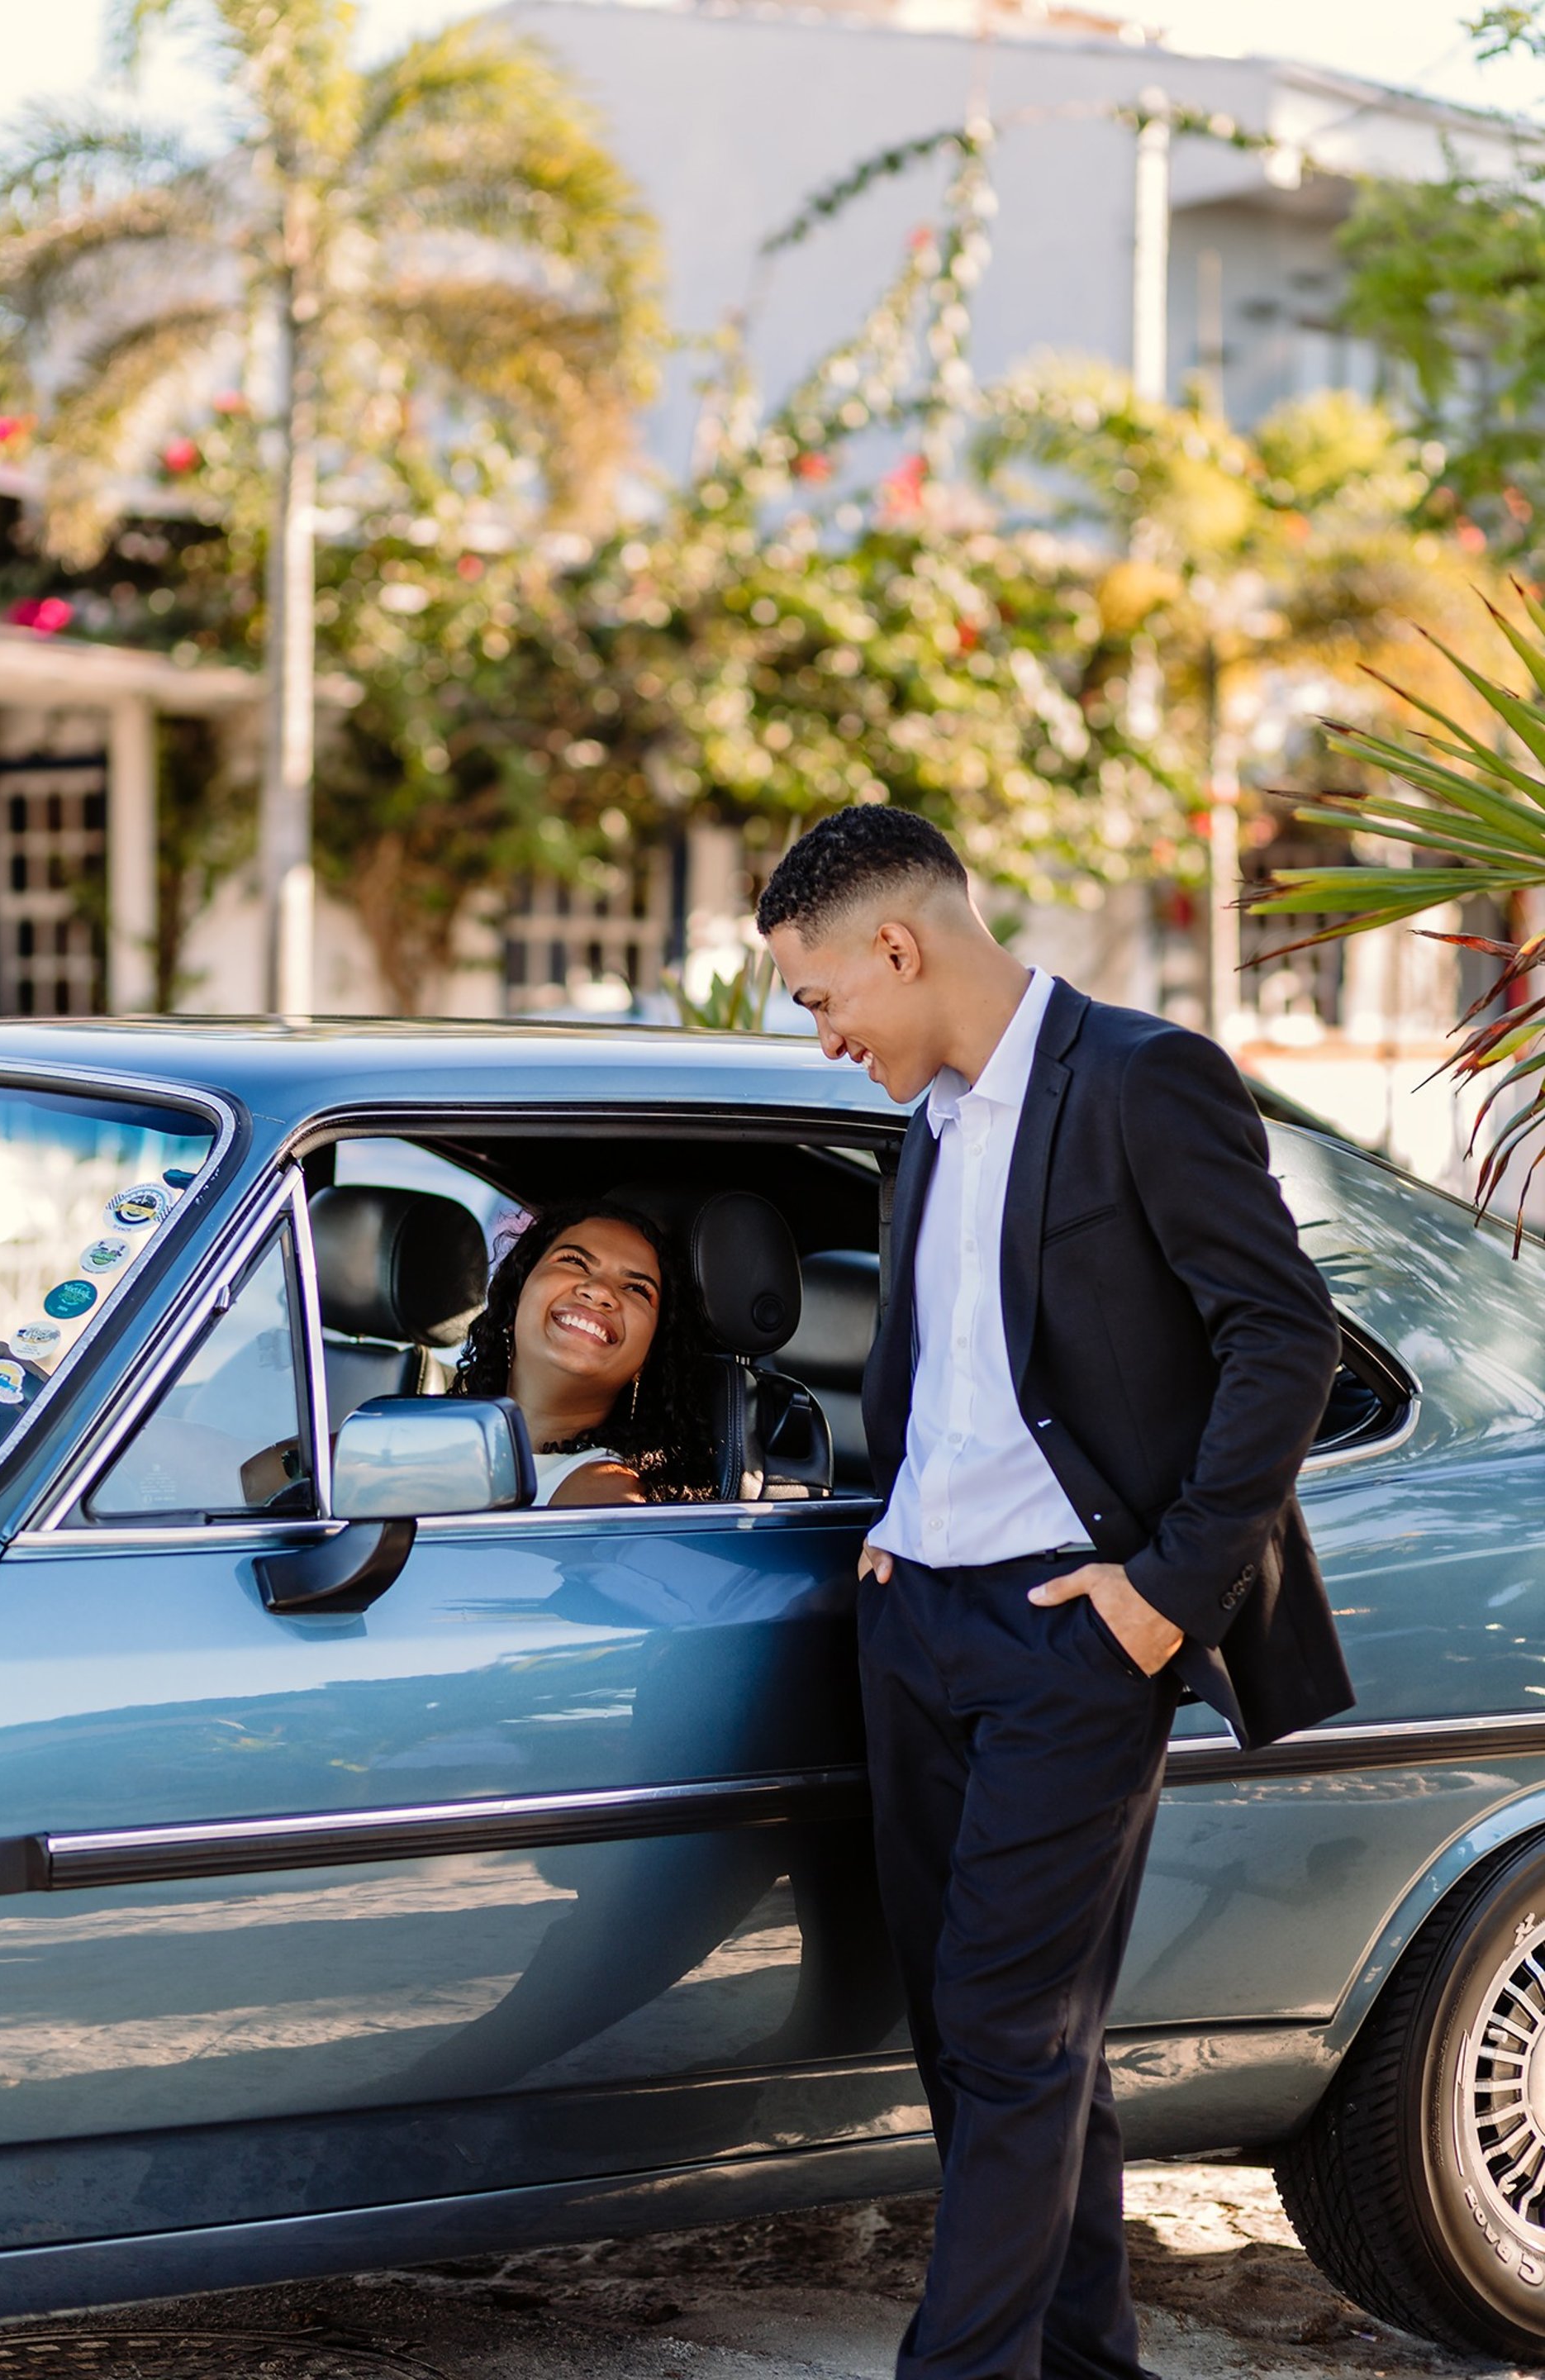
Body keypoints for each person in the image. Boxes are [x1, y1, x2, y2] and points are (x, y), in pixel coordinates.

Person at [758, 806, 1350, 2380]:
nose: (824, 1040)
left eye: (822, 1001)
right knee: (991, 2042)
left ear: (899, 946)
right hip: (919, 1621)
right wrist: (903, 1516)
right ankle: (1092, 2364)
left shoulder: (1145, 1080)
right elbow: (965, 1370)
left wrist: (1168, 1590)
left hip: (1073, 1636)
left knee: (1014, 2034)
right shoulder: (931, 1116)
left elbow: (1283, 1339)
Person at [453, 1198, 712, 1505]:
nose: (601, 1291)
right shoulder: (439, 1443)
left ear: (649, 1355)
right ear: (515, 1297)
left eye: (637, 1289)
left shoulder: (605, 1492)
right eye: (575, 1261)